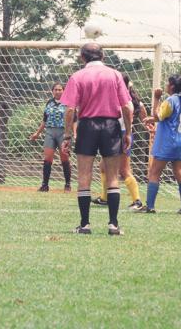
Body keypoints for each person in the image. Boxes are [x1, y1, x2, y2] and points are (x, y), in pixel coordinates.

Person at [60, 43, 132, 236]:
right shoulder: (115, 75)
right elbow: (127, 107)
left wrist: (67, 135)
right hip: (110, 126)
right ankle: (113, 225)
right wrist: (128, 133)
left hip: (87, 126)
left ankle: (84, 225)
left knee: (84, 176)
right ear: (103, 56)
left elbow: (69, 110)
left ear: (82, 58)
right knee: (113, 177)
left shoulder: (77, 76)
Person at [137, 75, 181, 215]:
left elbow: (158, 116)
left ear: (172, 87)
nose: (165, 86)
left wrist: (156, 98)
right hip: (180, 142)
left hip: (166, 142)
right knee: (180, 174)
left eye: (167, 84)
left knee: (154, 173)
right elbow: (168, 118)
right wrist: (153, 118)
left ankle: (150, 206)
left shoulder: (170, 100)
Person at [93, 73, 149, 210]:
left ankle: (137, 201)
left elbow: (142, 114)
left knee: (124, 170)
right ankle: (104, 198)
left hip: (121, 135)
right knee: (103, 166)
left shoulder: (123, 99)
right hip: (116, 134)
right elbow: (143, 114)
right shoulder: (127, 99)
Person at [30, 82, 72, 192]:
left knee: (64, 158)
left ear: (64, 91)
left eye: (60, 89)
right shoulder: (49, 103)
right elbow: (44, 120)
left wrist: (75, 133)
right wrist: (37, 133)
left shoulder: (68, 103)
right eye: (56, 89)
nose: (58, 91)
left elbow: (74, 119)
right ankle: (45, 185)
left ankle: (67, 184)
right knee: (48, 158)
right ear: (52, 91)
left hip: (62, 132)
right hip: (50, 132)